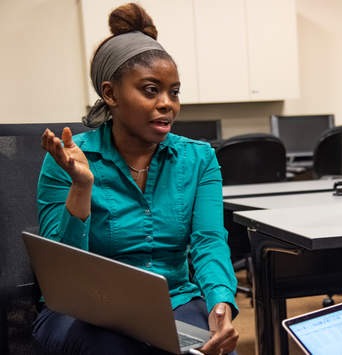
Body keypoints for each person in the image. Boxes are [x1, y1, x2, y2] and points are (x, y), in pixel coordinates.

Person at [32, 3, 239, 354]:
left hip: (172, 300)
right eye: (150, 90)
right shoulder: (67, 159)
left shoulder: (198, 158)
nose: (167, 104)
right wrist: (82, 187)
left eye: (173, 92)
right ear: (110, 93)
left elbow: (209, 241)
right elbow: (62, 275)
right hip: (85, 310)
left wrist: (220, 300)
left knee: (216, 348)